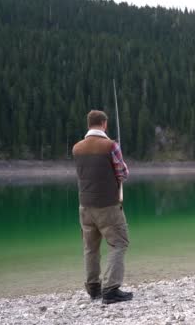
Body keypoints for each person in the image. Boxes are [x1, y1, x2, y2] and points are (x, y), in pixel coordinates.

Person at [72, 110, 133, 304]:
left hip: (85, 206)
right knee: (119, 243)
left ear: (89, 124)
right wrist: (124, 166)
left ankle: (93, 288)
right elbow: (122, 174)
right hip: (107, 205)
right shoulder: (111, 146)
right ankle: (111, 289)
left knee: (91, 248)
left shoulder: (77, 148)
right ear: (104, 124)